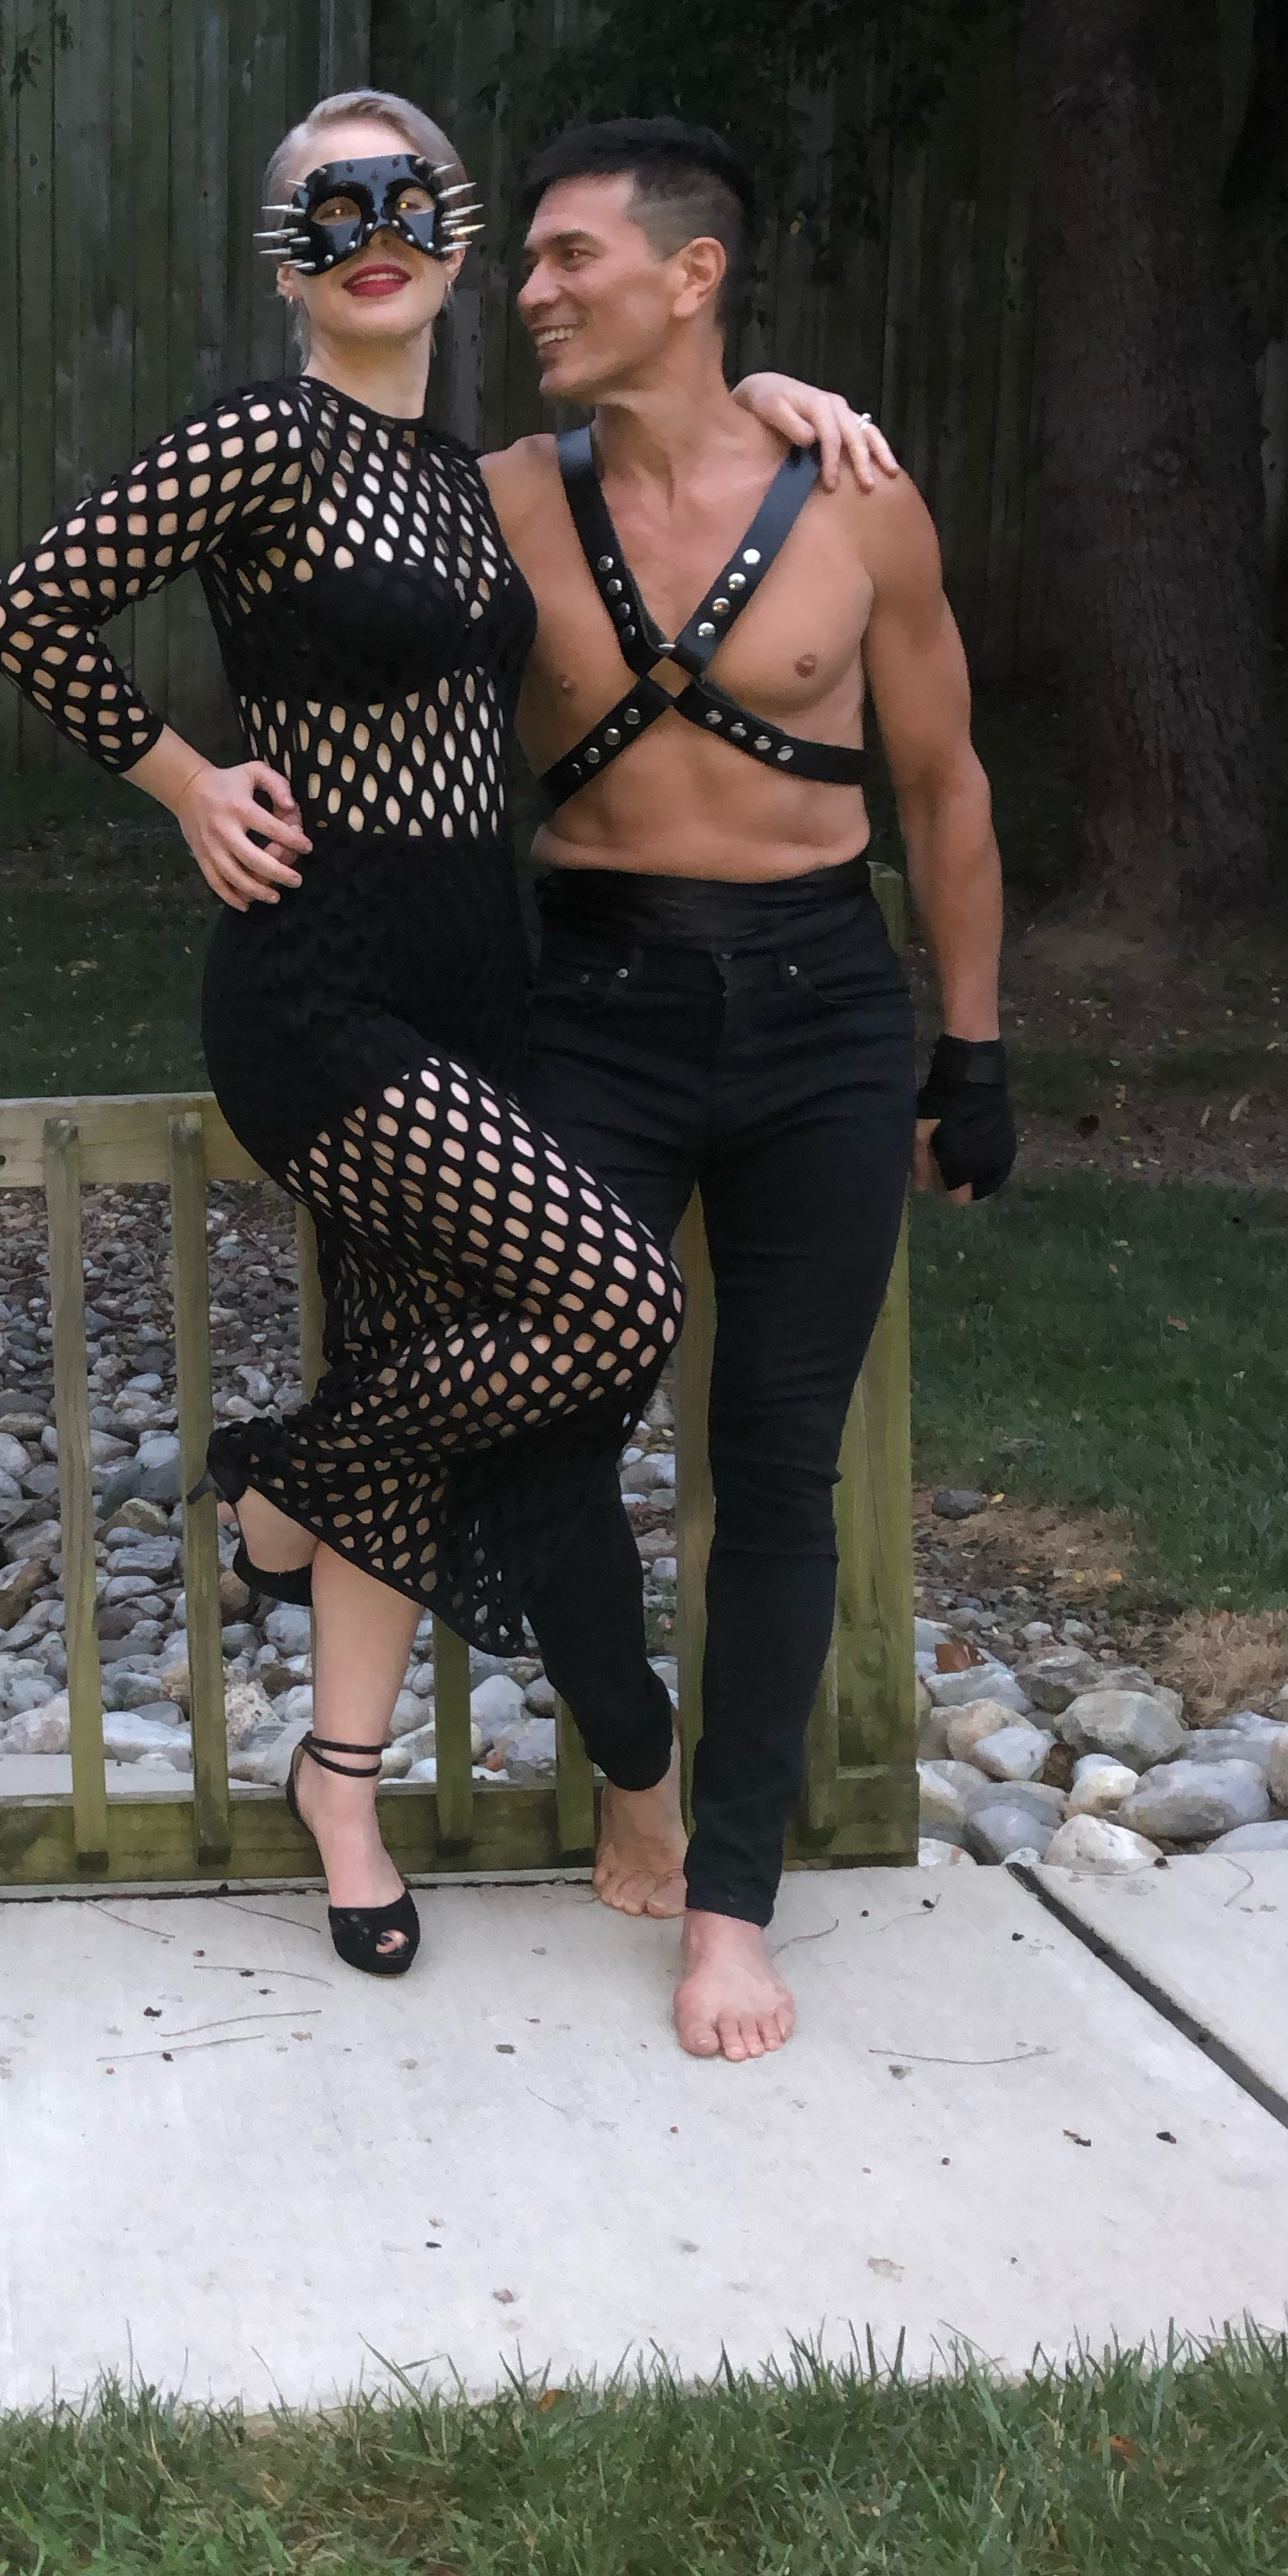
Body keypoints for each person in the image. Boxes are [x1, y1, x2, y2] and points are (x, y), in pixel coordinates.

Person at [0, 89, 888, 1981]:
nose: (373, 238)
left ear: (458, 246)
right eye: (332, 210)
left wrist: (767, 392)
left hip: (482, 980)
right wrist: (187, 782)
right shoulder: (264, 439)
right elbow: (29, 610)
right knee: (614, 1297)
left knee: (417, 1361)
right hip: (320, 987)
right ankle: (281, 1482)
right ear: (285, 258)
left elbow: (663, 440)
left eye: (408, 207)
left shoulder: (477, 482)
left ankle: (341, 1782)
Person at [482, 115, 1011, 2064]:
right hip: (591, 1005)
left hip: (820, 1017)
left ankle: (730, 1906)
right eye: (528, 261)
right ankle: (633, 1757)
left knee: (779, 1462)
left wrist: (973, 1048)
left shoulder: (857, 500)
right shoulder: (499, 504)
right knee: (544, 1430)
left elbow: (944, 787)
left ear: (692, 275)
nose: (531, 292)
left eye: (570, 258)